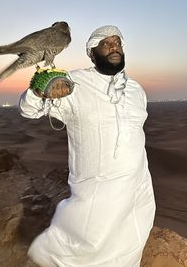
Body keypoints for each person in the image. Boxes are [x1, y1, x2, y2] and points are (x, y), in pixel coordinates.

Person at [19, 25, 156, 267]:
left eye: (117, 42)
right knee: (86, 245)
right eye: (106, 43)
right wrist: (42, 89)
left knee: (129, 246)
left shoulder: (136, 90)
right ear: (92, 54)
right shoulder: (74, 83)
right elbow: (28, 110)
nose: (114, 47)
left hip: (137, 189)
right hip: (95, 189)